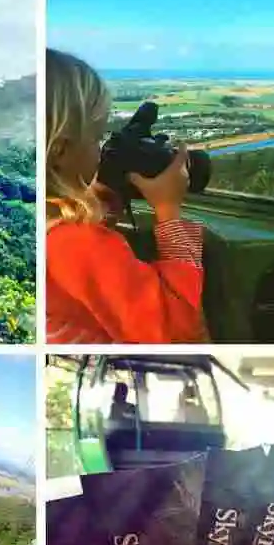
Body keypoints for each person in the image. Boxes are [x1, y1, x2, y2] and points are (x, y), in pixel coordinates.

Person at [46, 48, 209, 344]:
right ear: (60, 151)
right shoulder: (80, 243)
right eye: (96, 137)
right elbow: (175, 332)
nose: (101, 150)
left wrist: (102, 198)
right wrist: (168, 209)